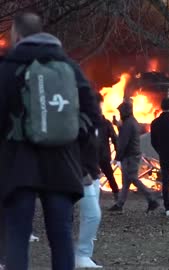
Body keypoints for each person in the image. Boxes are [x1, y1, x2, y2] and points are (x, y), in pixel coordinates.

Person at [0, 12, 101, 269]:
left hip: (17, 165)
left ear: (17, 35)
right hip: (62, 163)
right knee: (61, 236)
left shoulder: (7, 68)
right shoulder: (70, 67)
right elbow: (92, 113)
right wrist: (72, 140)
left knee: (17, 237)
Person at [108, 100, 159, 212]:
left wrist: (117, 157)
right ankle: (119, 205)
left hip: (130, 156)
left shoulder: (128, 124)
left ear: (125, 111)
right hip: (132, 155)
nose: (120, 113)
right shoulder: (130, 122)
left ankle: (151, 200)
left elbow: (123, 142)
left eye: (121, 111)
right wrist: (118, 125)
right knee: (126, 182)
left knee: (133, 179)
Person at [75, 107, 102, 268]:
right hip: (80, 176)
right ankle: (81, 255)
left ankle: (84, 255)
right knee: (92, 215)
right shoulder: (78, 124)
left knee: (91, 215)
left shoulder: (95, 125)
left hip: (92, 175)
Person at [97, 93, 119, 201]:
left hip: (94, 155)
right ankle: (117, 198)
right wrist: (118, 154)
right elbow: (115, 139)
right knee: (110, 176)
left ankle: (94, 198)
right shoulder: (106, 123)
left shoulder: (91, 122)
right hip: (104, 154)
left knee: (93, 177)